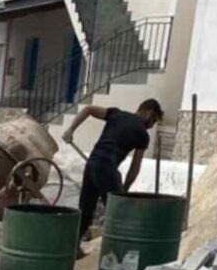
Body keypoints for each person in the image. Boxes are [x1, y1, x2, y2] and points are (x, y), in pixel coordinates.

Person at [62, 98, 164, 246]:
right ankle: (118, 250)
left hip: (92, 164)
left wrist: (71, 129)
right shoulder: (142, 135)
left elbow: (88, 109)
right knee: (119, 212)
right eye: (153, 120)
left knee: (85, 211)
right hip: (107, 167)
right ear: (149, 112)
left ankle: (70, 247)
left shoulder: (116, 114)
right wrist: (125, 190)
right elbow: (135, 168)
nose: (151, 125)